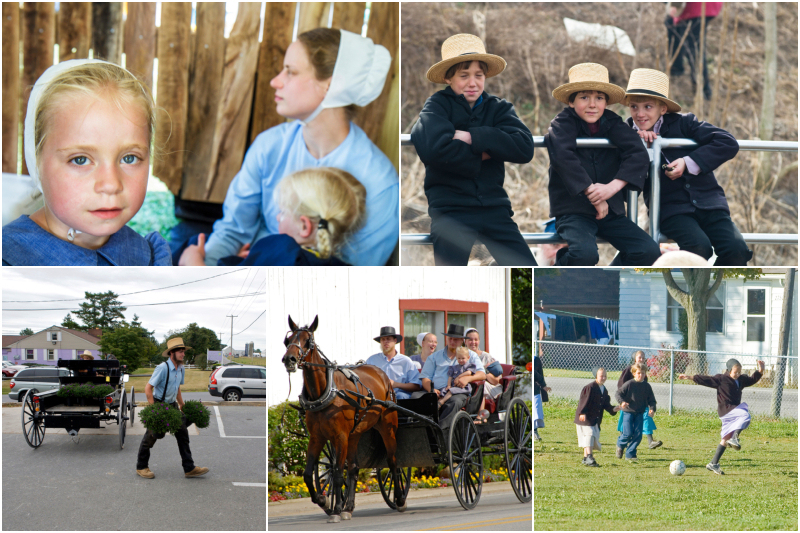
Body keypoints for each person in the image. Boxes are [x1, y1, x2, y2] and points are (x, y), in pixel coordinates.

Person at [177, 28, 397, 267]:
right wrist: (202, 273)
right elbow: (232, 232)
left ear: (330, 86)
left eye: (290, 72)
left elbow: (357, 281)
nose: (275, 81)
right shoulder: (269, 146)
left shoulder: (380, 184)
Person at [2, 59, 171, 266]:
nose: (110, 184)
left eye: (129, 158)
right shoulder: (8, 261)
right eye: (80, 160)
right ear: (36, 159)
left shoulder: (150, 258)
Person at [411, 33, 537, 266]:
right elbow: (435, 151)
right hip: (451, 212)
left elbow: (524, 147)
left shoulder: (498, 108)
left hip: (494, 208)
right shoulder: (437, 105)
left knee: (526, 267)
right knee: (450, 277)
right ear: (449, 78)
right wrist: (491, 150)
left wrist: (472, 137)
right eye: (464, 75)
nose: (472, 83)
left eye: (478, 75)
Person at [623, 68, 750, 266]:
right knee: (699, 248)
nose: (640, 114)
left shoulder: (685, 123)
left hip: (709, 203)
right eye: (634, 107)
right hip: (671, 210)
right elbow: (629, 182)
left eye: (648, 107)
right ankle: (685, 292)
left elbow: (727, 142)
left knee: (737, 250)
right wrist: (642, 149)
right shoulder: (625, 134)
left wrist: (688, 162)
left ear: (662, 109)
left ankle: (710, 290)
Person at [546, 63, 662, 266]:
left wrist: (611, 188)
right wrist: (593, 194)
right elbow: (562, 157)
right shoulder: (562, 123)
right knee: (585, 255)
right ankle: (559, 272)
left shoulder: (612, 122)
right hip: (574, 211)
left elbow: (637, 153)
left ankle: (609, 281)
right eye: (584, 97)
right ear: (572, 102)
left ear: (606, 102)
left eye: (599, 98)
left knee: (648, 251)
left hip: (610, 210)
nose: (592, 104)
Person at [179, 168, 366, 266]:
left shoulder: (281, 249)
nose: (277, 217)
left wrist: (191, 260)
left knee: (193, 242)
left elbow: (219, 289)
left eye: (283, 212)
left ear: (304, 227)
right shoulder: (340, 266)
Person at [136, 337, 209, 479]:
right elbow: (148, 388)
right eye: (180, 352)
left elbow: (177, 388)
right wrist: (154, 410)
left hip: (172, 405)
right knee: (151, 437)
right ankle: (141, 467)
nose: (183, 354)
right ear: (172, 353)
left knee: (183, 435)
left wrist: (181, 404)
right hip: (159, 405)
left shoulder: (181, 368)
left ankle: (189, 468)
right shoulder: (162, 368)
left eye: (184, 352)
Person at [679, 358, 764, 475]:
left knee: (725, 438)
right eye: (735, 372)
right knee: (745, 415)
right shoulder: (721, 379)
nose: (738, 374)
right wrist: (691, 377)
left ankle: (713, 463)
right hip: (726, 409)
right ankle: (735, 437)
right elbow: (707, 380)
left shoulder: (741, 379)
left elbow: (751, 380)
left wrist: (760, 371)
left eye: (740, 372)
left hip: (733, 411)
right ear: (729, 371)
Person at [419, 324, 486, 429]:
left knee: (454, 402)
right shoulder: (434, 357)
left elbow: (482, 374)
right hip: (436, 391)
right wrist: (431, 390)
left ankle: (440, 433)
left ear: (462, 341)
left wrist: (468, 378)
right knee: (416, 398)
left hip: (459, 391)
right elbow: (425, 378)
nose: (452, 342)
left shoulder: (470, 355)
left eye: (456, 340)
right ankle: (420, 432)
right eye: (450, 339)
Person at [665, 2, 722, 100]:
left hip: (696, 8)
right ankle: (676, 69)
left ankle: (703, 92)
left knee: (694, 50)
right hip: (696, 7)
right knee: (671, 24)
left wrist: (674, 4)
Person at [617, 350, 662, 449]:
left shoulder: (643, 370)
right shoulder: (629, 369)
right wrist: (624, 399)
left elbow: (645, 390)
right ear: (635, 358)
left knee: (646, 419)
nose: (641, 359)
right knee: (625, 423)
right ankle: (622, 442)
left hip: (641, 404)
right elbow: (621, 386)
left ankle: (650, 442)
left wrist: (650, 406)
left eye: (643, 357)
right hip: (628, 404)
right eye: (639, 357)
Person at [575, 367, 619, 467]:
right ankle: (590, 456)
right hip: (585, 418)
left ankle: (585, 458)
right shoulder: (589, 387)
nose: (603, 378)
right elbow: (583, 401)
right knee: (589, 435)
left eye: (605, 376)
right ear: (596, 376)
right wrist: (582, 413)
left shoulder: (604, 390)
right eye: (601, 376)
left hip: (595, 419)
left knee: (592, 437)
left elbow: (606, 405)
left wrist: (614, 409)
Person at [615, 362, 657, 462]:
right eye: (638, 373)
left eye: (643, 373)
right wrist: (622, 402)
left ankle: (630, 454)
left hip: (639, 413)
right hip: (628, 412)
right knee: (628, 433)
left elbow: (652, 400)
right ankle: (620, 445)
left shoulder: (646, 386)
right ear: (634, 373)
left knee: (638, 435)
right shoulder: (629, 384)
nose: (640, 375)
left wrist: (652, 409)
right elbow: (618, 393)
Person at [364, 326, 421, 400]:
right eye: (383, 339)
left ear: (395, 341)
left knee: (400, 396)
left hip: (400, 399)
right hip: (377, 397)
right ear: (380, 342)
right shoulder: (371, 360)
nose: (385, 341)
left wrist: (396, 384)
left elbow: (417, 386)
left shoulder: (406, 361)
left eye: (388, 339)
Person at [465, 327, 502, 423]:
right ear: (465, 341)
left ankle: (480, 415)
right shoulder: (462, 357)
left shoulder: (486, 357)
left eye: (475, 340)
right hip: (471, 388)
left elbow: (496, 381)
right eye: (470, 339)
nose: (473, 342)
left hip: (492, 388)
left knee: (481, 384)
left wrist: (484, 373)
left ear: (479, 341)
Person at [533, 354, 549, 441]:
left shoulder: (536, 360)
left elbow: (538, 374)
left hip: (535, 390)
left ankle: (535, 431)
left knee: (535, 413)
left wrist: (543, 386)